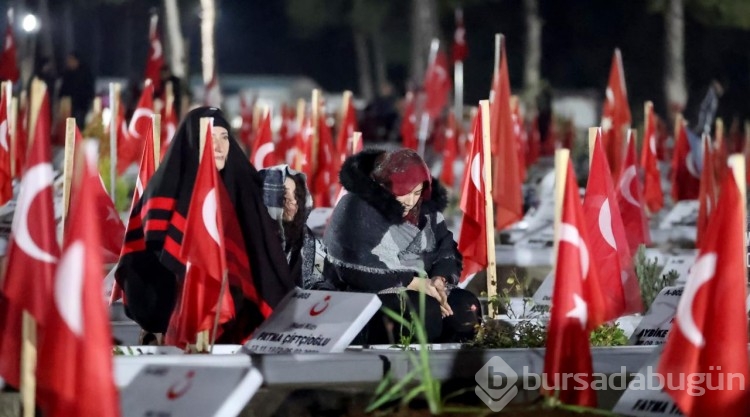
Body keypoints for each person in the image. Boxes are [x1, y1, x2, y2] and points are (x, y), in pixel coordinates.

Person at [115, 106, 296, 343]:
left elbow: (264, 257)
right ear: (193, 141)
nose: (220, 147)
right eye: (211, 138)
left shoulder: (245, 189)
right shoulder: (165, 192)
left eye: (224, 137)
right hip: (179, 328)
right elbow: (144, 265)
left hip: (238, 330)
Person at [320, 148, 481, 344]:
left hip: (422, 287)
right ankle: (407, 371)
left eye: (417, 193)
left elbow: (445, 248)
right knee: (424, 310)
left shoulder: (425, 210)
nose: (411, 201)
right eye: (405, 192)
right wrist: (414, 284)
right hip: (360, 294)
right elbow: (354, 268)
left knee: (466, 307)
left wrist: (439, 280)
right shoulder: (356, 206)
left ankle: (457, 371)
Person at [258, 164, 326, 289]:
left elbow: (319, 276)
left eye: (295, 194)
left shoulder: (306, 238)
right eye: (283, 194)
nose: (293, 201)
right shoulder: (255, 238)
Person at [58, 52, 95, 128]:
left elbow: (89, 89)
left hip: (80, 106)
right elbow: (63, 89)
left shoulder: (85, 73)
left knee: (78, 125)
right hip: (68, 106)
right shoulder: (68, 74)